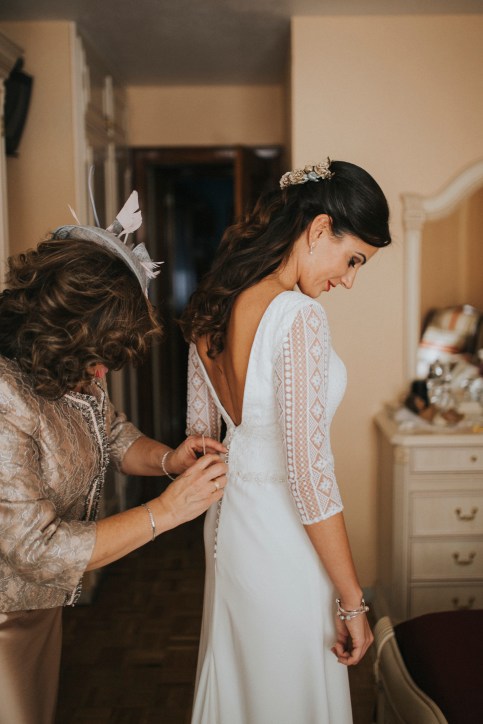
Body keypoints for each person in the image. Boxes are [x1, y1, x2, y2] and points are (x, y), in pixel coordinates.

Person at [0, 193, 227, 724]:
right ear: (63, 328)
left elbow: (112, 432)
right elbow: (36, 548)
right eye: (101, 356)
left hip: (37, 606)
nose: (105, 373)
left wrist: (170, 460)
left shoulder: (69, 370)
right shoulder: (5, 398)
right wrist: (166, 511)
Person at [180, 159, 391, 723]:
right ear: (320, 229)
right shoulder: (298, 317)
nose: (348, 279)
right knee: (289, 694)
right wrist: (353, 602)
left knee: (244, 684)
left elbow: (200, 441)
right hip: (282, 537)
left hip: (227, 529)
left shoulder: (214, 307)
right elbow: (309, 476)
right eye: (353, 259)